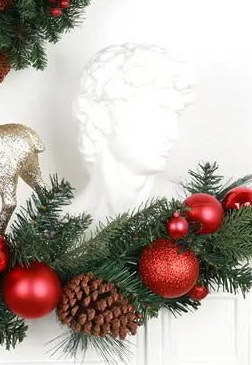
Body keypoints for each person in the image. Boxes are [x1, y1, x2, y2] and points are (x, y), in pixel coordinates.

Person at [71, 43, 197, 227]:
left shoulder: (186, 210)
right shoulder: (62, 224)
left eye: (175, 116)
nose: (173, 134)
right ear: (102, 117)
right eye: (158, 114)